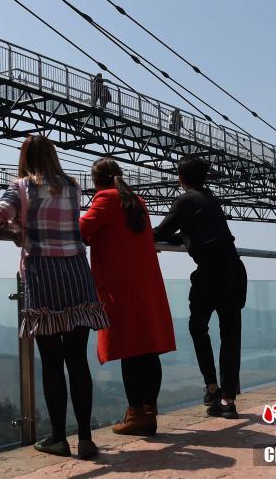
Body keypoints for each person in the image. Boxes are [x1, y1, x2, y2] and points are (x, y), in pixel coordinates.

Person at [0, 135, 108, 460]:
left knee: (52, 363)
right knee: (78, 361)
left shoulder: (22, 186)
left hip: (44, 276)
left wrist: (17, 231)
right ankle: (85, 440)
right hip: (77, 274)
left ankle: (58, 438)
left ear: (26, 158)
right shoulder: (72, 187)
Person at [79, 158, 176, 436]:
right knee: (147, 349)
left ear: (95, 181)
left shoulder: (105, 200)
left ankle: (135, 415)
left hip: (120, 288)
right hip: (146, 285)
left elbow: (82, 231)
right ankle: (148, 411)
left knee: (129, 351)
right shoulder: (136, 201)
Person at [153, 156, 248, 419]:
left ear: (180, 177)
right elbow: (198, 231)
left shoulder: (186, 200)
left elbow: (159, 233)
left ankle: (212, 387)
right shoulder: (208, 198)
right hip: (233, 271)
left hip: (210, 275)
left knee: (197, 327)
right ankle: (228, 400)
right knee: (230, 335)